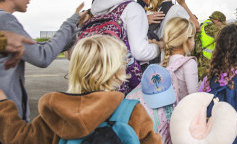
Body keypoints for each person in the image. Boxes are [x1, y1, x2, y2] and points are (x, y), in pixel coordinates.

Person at [0, 35, 161, 143]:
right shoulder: (132, 112)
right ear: (117, 73)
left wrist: (3, 103)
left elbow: (17, 138)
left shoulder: (55, 115)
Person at [0, 0, 84, 121]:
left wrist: (74, 29)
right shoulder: (4, 20)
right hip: (6, 120)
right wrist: (71, 21)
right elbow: (42, 56)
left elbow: (40, 49)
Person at [90, 0, 160, 91]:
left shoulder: (100, 8)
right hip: (119, 83)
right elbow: (140, 52)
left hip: (98, 78)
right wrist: (159, 47)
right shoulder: (133, 9)